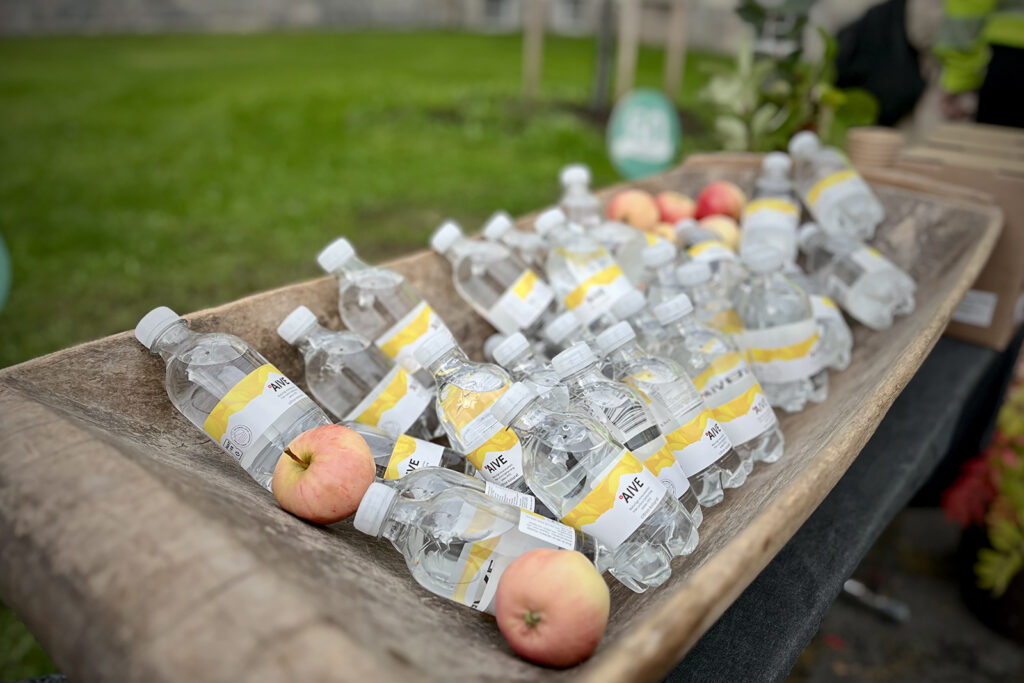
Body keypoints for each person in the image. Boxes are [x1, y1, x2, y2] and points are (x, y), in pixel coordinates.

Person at [935, 0, 1024, 127]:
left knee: (993, 142)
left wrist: (959, 79)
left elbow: (965, 13)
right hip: (1009, 58)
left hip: (1009, 58)